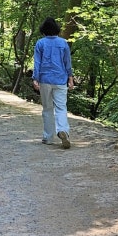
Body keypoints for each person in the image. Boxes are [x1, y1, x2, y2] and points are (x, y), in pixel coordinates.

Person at [31, 17, 74, 149]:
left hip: (45, 80)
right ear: (57, 29)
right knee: (61, 107)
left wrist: (35, 78)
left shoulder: (40, 43)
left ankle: (48, 137)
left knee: (47, 108)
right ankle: (63, 131)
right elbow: (67, 62)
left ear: (43, 30)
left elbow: (37, 62)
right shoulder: (63, 43)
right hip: (60, 79)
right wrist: (70, 78)